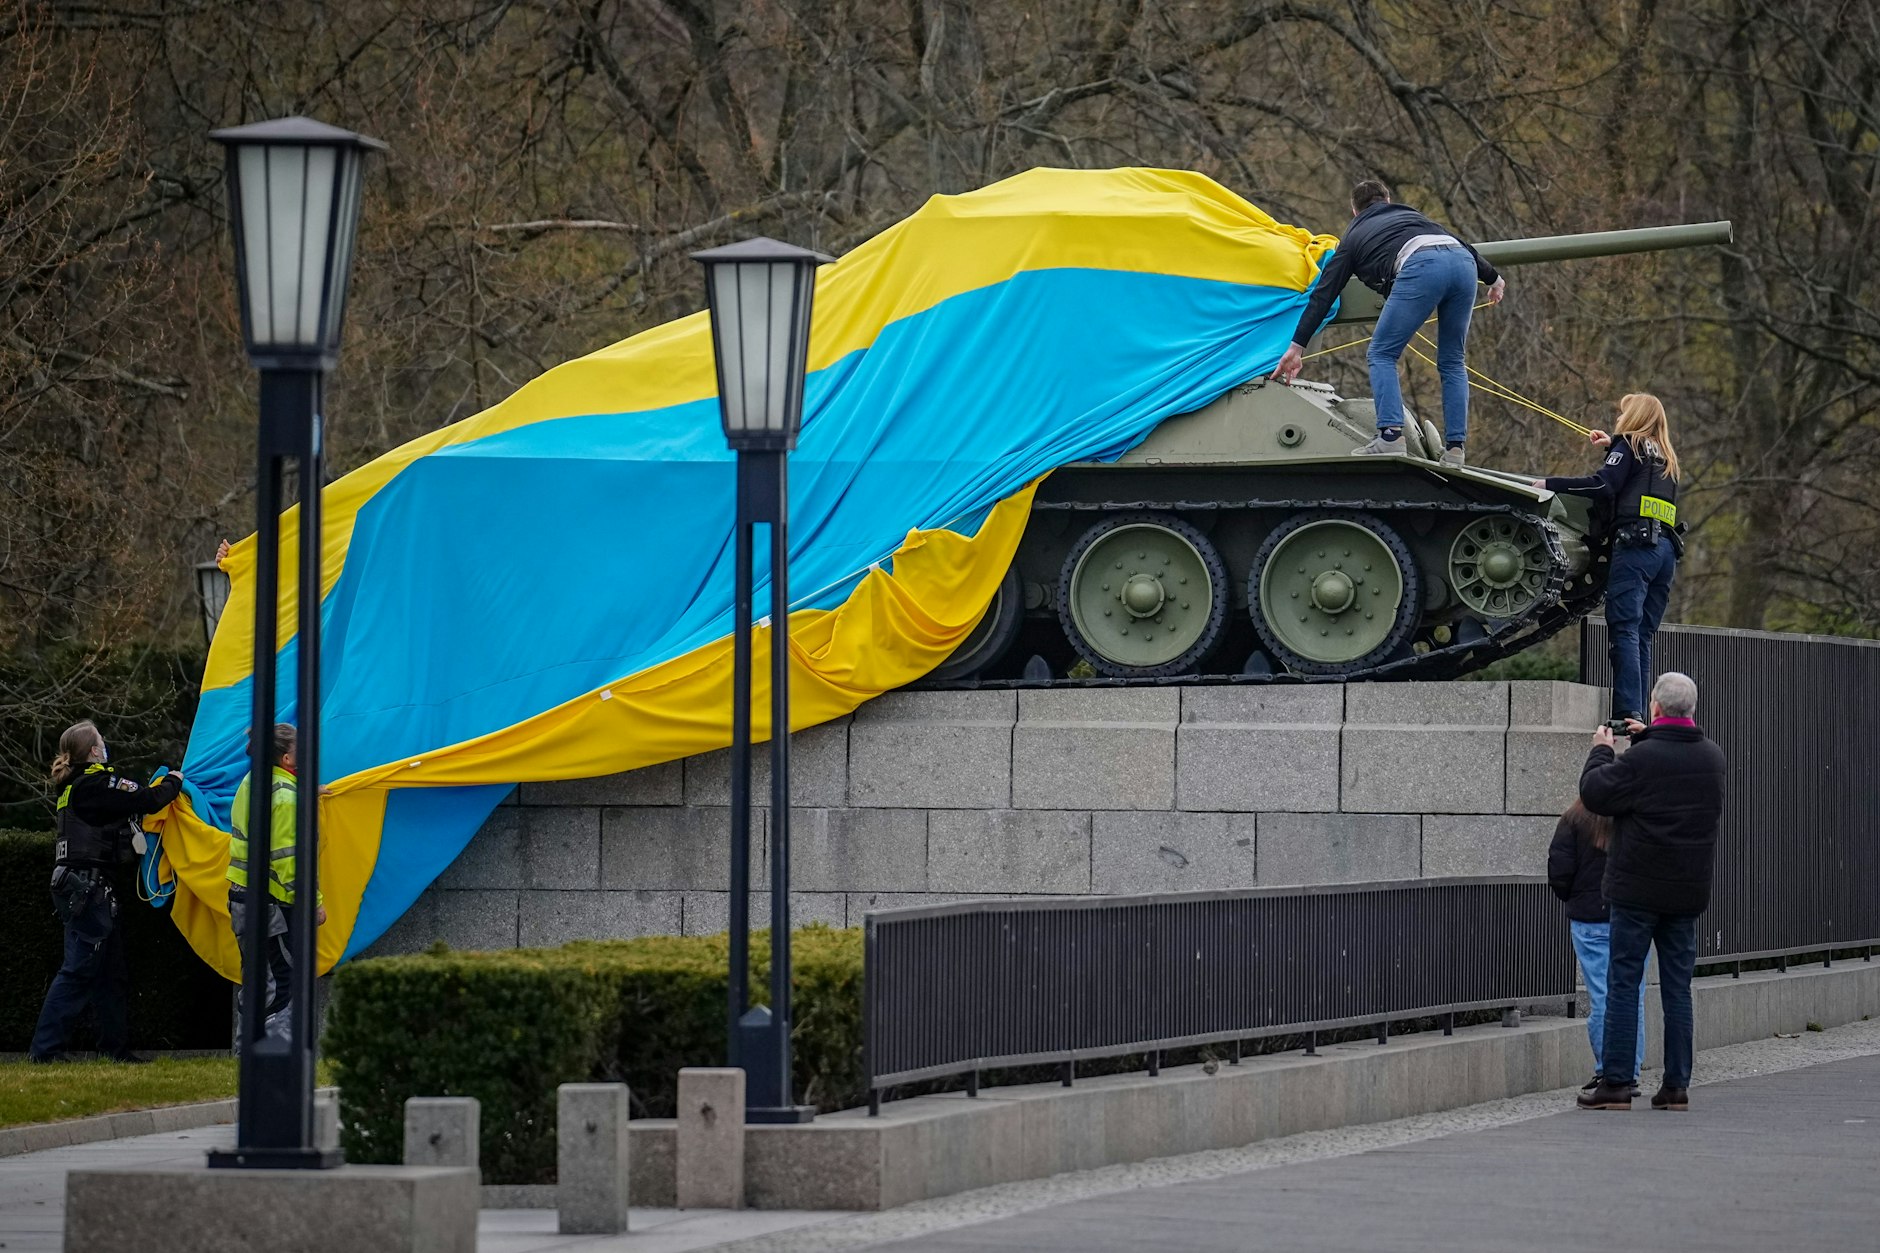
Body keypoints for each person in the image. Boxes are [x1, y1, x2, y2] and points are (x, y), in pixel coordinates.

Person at [1272, 179, 1505, 466]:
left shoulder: (1354, 236)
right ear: (1388, 200)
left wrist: (1297, 347)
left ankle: (1391, 437)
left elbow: (1324, 294)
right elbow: (1462, 245)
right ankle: (1455, 449)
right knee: (1453, 360)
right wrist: (1494, 279)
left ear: (1354, 211)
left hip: (1422, 267)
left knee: (1381, 353)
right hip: (1463, 264)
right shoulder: (1413, 216)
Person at [1575, 672, 1725, 1112]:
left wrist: (1602, 750)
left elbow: (1597, 794)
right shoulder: (1712, 757)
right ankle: (1676, 1086)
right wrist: (1648, 740)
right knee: (1677, 989)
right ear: (1690, 710)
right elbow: (1666, 779)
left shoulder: (1642, 761)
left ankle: (1617, 1084)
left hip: (1636, 890)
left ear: (1656, 707)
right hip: (1686, 891)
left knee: (1624, 983)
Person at [29, 721, 184, 1063]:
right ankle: (45, 1052)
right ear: (94, 751)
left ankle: (114, 1049)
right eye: (101, 741)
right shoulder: (96, 783)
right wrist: (175, 780)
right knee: (78, 970)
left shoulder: (72, 785)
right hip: (89, 886)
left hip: (82, 885)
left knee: (111, 973)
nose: (105, 745)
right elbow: (148, 799)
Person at [1535, 393, 1682, 722]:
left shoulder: (1628, 444)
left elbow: (1603, 485)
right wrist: (1611, 445)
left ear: (1634, 417)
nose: (1619, 418)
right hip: (1665, 553)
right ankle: (1639, 715)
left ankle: (1627, 712)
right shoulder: (1667, 457)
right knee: (1642, 633)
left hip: (1635, 548)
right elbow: (1635, 479)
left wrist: (1550, 484)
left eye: (1624, 412)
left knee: (1625, 629)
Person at [228, 722, 326, 1042]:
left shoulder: (253, 781)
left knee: (257, 979)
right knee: (282, 983)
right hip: (268, 907)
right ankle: (273, 1052)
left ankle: (247, 1050)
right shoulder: (285, 796)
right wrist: (315, 903)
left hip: (244, 900)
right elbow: (288, 862)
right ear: (286, 758)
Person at [1547, 798, 1646, 1095]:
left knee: (1603, 996)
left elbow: (1559, 870)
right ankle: (1629, 1071)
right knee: (1633, 996)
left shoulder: (1572, 819)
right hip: (1631, 916)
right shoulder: (1635, 817)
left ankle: (1609, 1070)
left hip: (1589, 918)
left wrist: (1576, 898)